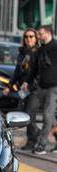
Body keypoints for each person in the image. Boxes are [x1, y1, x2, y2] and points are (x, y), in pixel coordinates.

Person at [21, 24, 57, 154]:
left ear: (48, 33)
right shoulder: (40, 50)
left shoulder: (55, 47)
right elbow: (35, 69)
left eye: (40, 34)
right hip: (42, 86)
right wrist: (27, 82)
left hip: (54, 87)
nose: (38, 37)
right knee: (51, 118)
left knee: (47, 115)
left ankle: (41, 145)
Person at [3, 28, 40, 151]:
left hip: (34, 88)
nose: (29, 39)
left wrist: (30, 83)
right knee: (24, 113)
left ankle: (32, 140)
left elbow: (38, 71)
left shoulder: (38, 52)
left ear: (36, 38)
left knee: (29, 114)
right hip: (23, 89)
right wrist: (9, 86)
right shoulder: (22, 53)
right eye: (26, 37)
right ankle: (37, 134)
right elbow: (17, 72)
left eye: (31, 37)